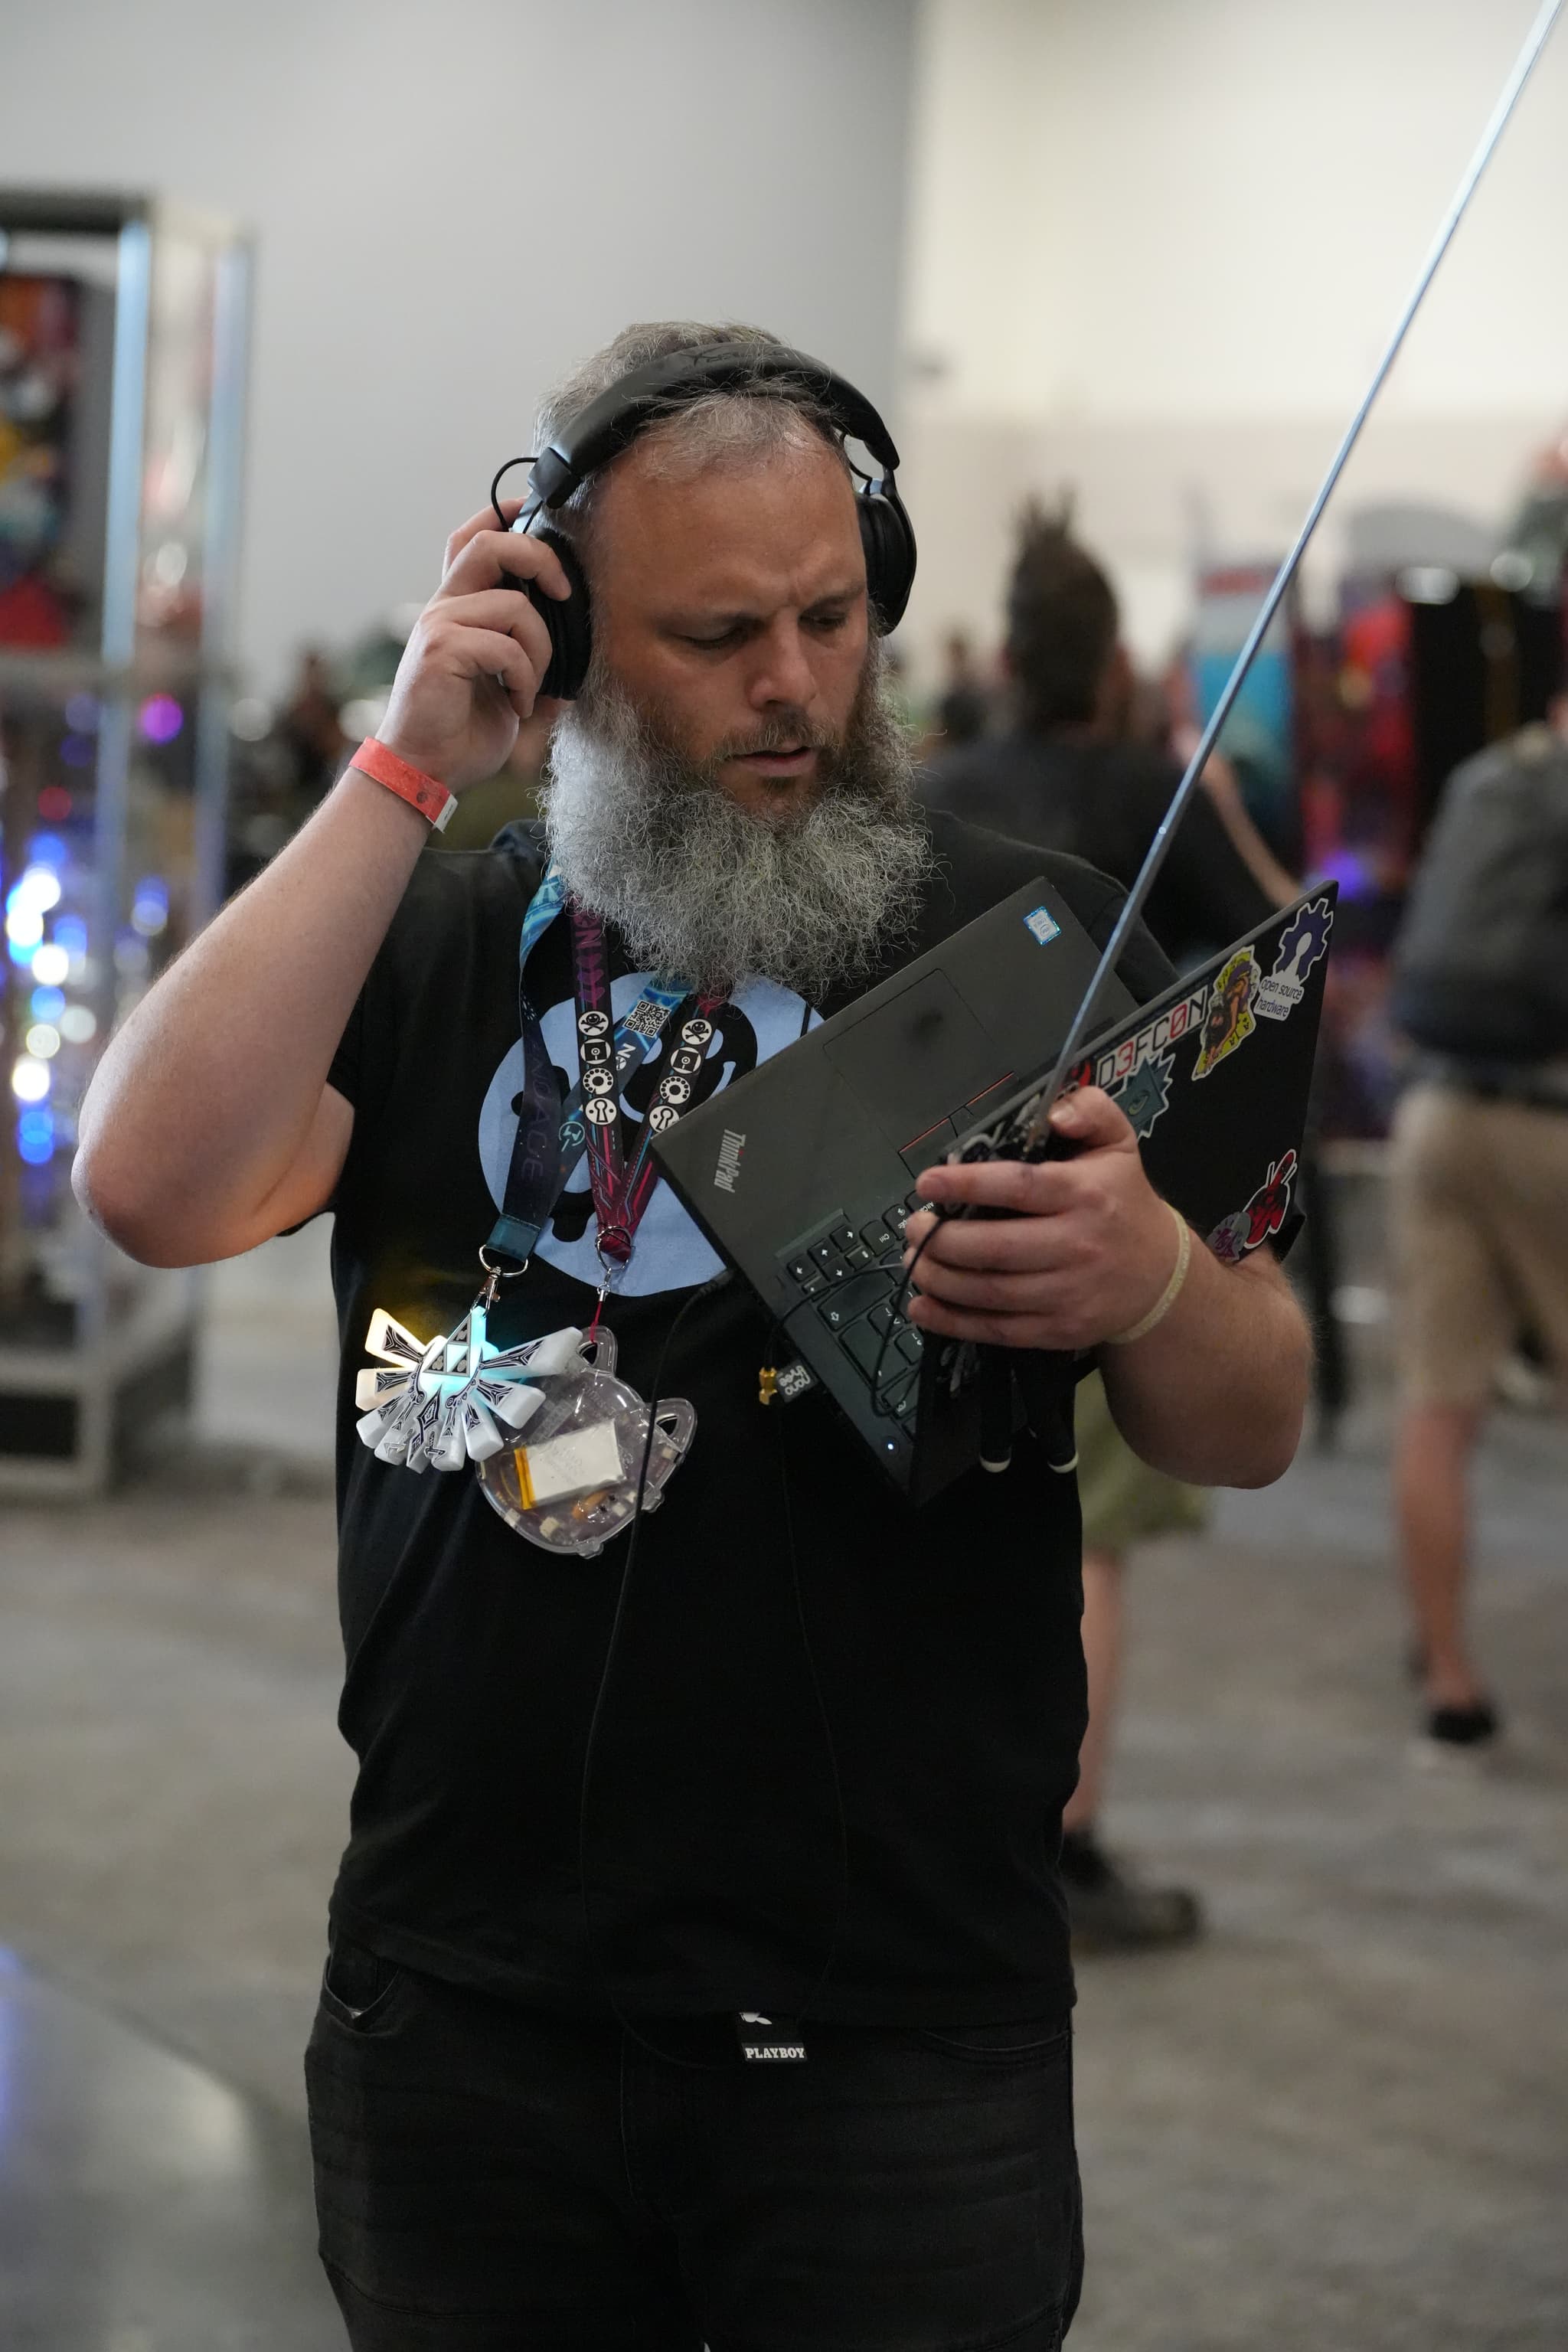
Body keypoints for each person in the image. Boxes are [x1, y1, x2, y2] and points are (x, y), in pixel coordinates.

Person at [74, 322, 1309, 2350]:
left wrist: (1155, 1277)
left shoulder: (1044, 940)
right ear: (557, 646)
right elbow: (152, 1182)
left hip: (898, 2024)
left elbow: (1252, 1420)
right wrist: (399, 769)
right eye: (720, 633)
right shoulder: (443, 926)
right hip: (467, 2004)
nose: (797, 686)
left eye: (833, 615)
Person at [924, 507, 1292, 1950]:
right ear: (1113, 662)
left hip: (933, 1223)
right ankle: (1063, 1846)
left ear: (1007, 652)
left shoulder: (938, 790)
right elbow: (1279, 942)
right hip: (1108, 1224)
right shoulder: (1160, 784)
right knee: (1089, 1550)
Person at [1388, 715, 1568, 1758]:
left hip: (1435, 1117)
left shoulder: (1483, 777)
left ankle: (1448, 1674)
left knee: (1436, 1408)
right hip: (1550, 1120)